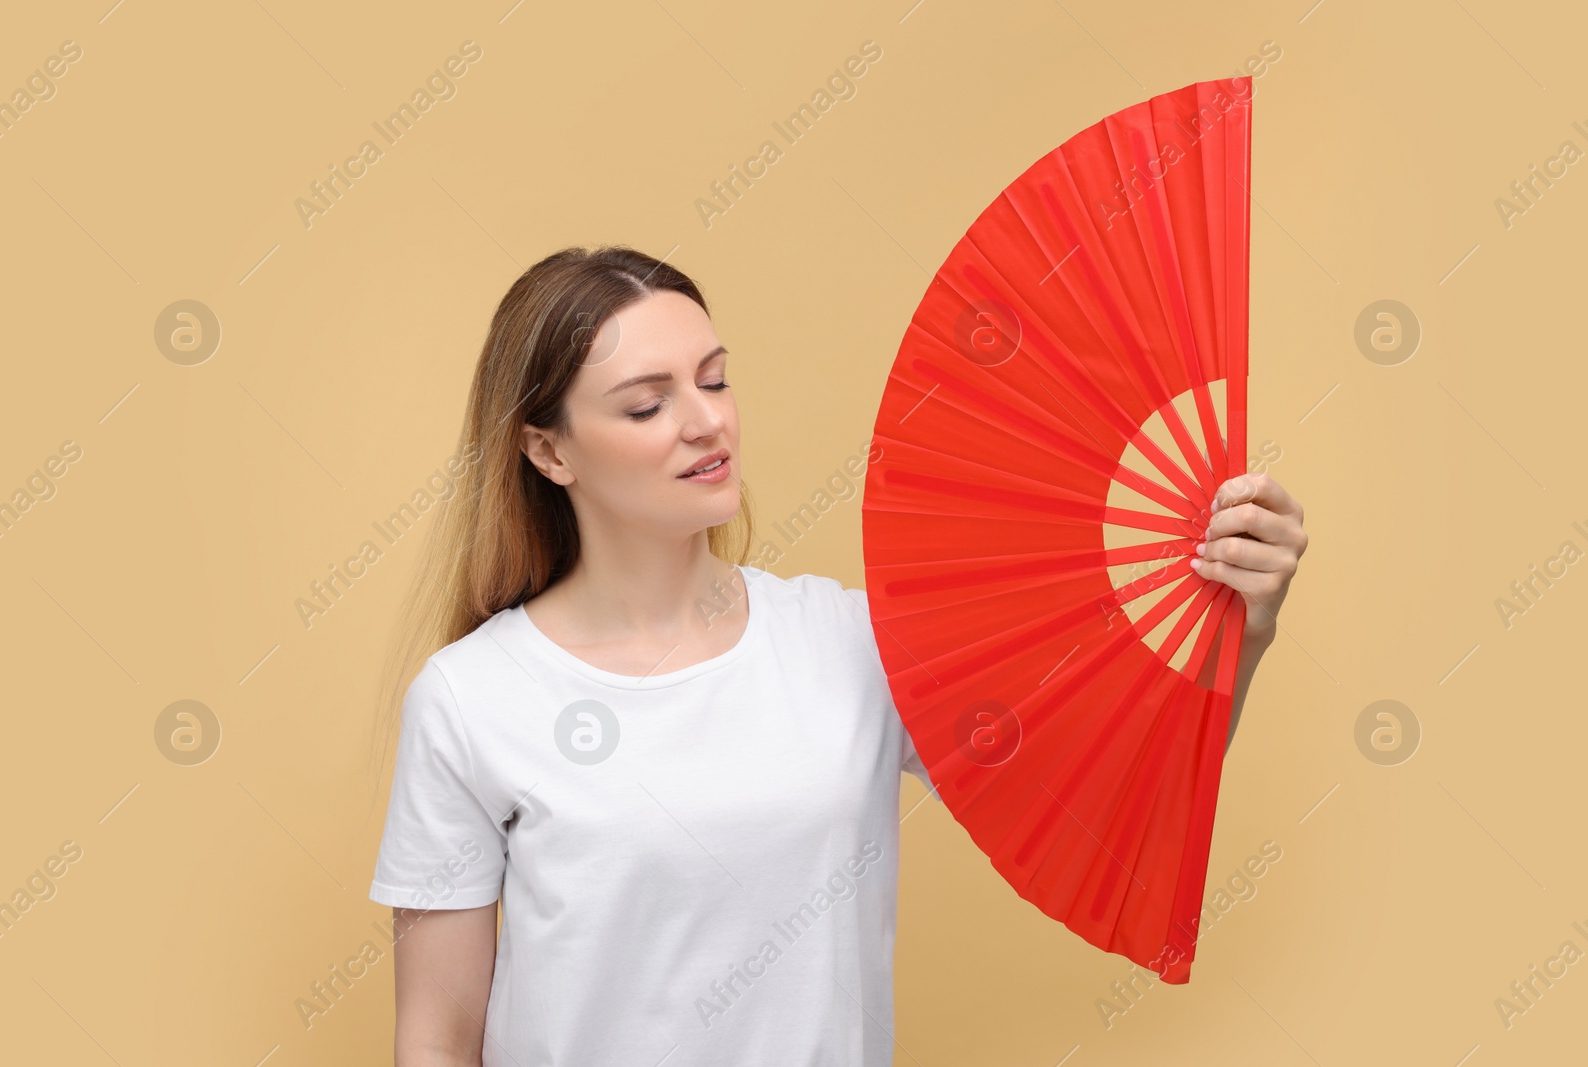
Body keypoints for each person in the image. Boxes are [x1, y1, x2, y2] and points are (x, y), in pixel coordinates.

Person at [365, 245, 1307, 1066]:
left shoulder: (853, 643)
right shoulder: (470, 698)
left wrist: (1239, 633)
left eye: (716, 378)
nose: (707, 422)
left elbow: (1114, 806)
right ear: (548, 450)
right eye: (649, 404)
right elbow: (437, 1042)